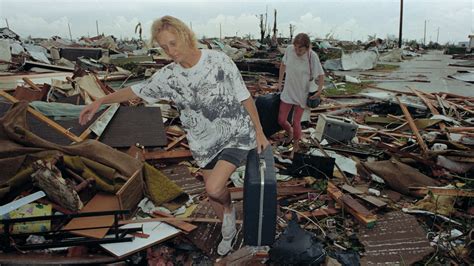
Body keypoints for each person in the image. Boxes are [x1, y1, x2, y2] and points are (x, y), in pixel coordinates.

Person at [79, 15, 269, 256]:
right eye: (164, 46)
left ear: (186, 36)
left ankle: (229, 210)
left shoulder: (219, 61)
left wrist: (260, 132)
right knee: (214, 196)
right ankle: (228, 224)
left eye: (173, 43)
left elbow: (245, 97)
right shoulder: (169, 76)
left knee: (212, 188)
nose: (170, 50)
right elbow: (135, 89)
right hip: (202, 142)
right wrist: (101, 100)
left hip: (235, 133)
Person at [276, 33, 324, 154]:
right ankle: (290, 132)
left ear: (307, 47)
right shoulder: (289, 50)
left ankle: (296, 145)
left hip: (302, 93)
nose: (297, 51)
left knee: (296, 121)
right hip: (288, 89)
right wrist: (280, 82)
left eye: (300, 48)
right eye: (296, 47)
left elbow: (321, 74)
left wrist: (319, 90)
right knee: (281, 119)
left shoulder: (312, 56)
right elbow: (283, 64)